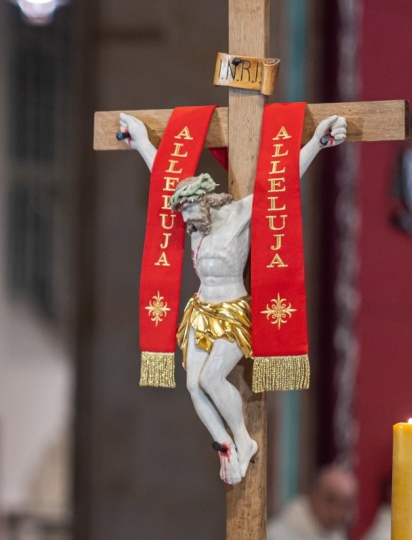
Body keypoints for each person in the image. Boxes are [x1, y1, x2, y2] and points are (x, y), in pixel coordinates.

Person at [119, 112, 347, 484]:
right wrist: (141, 141)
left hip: (231, 310)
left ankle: (244, 440)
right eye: (184, 216)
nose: (187, 223)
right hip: (200, 310)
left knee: (211, 378)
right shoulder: (192, 217)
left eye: (191, 214)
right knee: (193, 384)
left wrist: (318, 143)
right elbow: (161, 179)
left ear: (206, 201)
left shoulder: (239, 214)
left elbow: (281, 182)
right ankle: (225, 445)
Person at [267, 465, 357, 540]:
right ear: (313, 495)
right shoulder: (275, 535)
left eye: (345, 505)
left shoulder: (336, 533)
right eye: (330, 500)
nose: (337, 512)